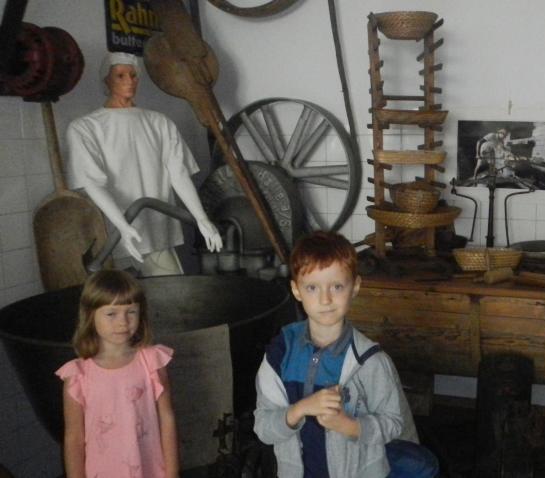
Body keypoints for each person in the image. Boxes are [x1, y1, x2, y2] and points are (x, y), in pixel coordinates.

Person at [253, 231, 439, 477]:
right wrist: (299, 409)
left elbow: (393, 424)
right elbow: (263, 428)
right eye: (312, 287)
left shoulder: (370, 361)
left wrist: (349, 426)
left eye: (337, 286)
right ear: (296, 290)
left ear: (355, 287)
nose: (325, 299)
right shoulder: (280, 354)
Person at [66, 51, 222, 276]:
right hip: (110, 237)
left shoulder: (159, 122)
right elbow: (92, 183)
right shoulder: (86, 127)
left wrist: (201, 218)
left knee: (169, 292)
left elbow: (178, 174)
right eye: (120, 75)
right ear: (106, 80)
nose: (129, 81)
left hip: (155, 232)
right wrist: (123, 227)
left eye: (133, 75)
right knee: (120, 295)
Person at [56, 270, 178, 478]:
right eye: (111, 314)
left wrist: (173, 473)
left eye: (131, 312)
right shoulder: (77, 376)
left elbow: (167, 419)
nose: (123, 322)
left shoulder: (152, 362)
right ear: (90, 315)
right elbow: (74, 437)